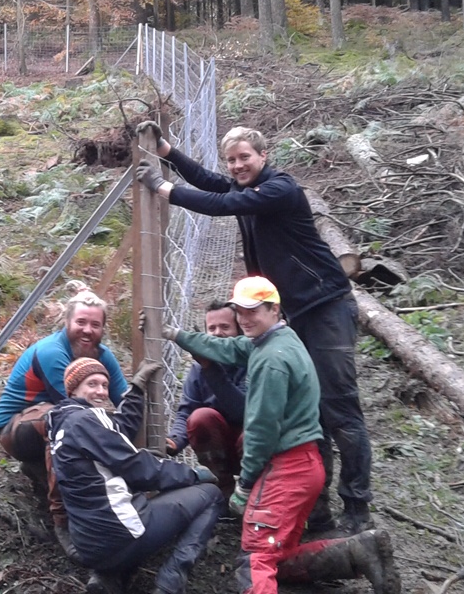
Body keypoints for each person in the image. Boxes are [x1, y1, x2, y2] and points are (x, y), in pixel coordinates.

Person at [135, 120, 374, 534]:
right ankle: (317, 510)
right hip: (291, 315)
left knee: (339, 410)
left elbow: (220, 203)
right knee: (309, 412)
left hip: (324, 307)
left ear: (263, 156)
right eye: (231, 160)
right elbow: (213, 183)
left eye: (245, 157)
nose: (237, 165)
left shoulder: (280, 189)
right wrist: (170, 153)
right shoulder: (247, 187)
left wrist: (163, 188)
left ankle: (357, 507)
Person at [149, 277, 399, 594]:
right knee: (276, 554)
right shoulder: (280, 340)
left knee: (256, 557)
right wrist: (178, 336)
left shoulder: (271, 362)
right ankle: (357, 552)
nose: (244, 319)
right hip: (306, 465)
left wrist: (246, 485)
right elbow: (229, 347)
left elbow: (261, 430)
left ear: (274, 309)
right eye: (240, 311)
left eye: (253, 311)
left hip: (286, 469)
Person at [47, 357, 224, 594]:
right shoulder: (87, 419)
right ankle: (171, 581)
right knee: (212, 495)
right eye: (92, 384)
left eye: (104, 385)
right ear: (73, 389)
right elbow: (140, 470)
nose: (100, 391)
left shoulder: (61, 425)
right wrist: (192, 474)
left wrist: (137, 389)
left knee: (134, 506)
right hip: (121, 536)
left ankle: (108, 576)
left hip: (88, 546)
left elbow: (120, 428)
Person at [0, 282, 130, 555]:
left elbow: (125, 400)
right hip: (17, 428)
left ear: (103, 328)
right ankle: (62, 519)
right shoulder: (51, 352)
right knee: (68, 422)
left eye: (95, 324)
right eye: (81, 322)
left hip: (55, 420)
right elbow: (74, 410)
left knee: (81, 425)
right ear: (67, 322)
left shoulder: (104, 357)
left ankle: (43, 470)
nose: (87, 330)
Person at [166, 300, 247, 495]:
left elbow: (243, 411)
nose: (218, 333)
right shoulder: (198, 369)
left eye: (225, 327)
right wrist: (175, 440)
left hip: (252, 447)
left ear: (240, 331)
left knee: (253, 433)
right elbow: (187, 410)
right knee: (200, 417)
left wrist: (211, 369)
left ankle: (253, 491)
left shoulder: (252, 361)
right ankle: (223, 488)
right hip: (218, 444)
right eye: (212, 328)